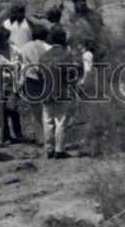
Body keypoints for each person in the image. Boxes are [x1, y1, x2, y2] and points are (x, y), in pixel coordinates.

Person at [40, 26, 82, 159]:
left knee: (47, 120)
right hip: (63, 91)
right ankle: (59, 150)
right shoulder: (67, 56)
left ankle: (49, 149)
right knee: (61, 122)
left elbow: (39, 73)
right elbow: (72, 74)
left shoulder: (43, 56)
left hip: (46, 91)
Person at [18, 26, 51, 145]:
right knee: (47, 110)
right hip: (46, 80)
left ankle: (40, 138)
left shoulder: (24, 48)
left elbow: (22, 66)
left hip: (31, 79)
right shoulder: (48, 47)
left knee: (36, 110)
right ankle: (49, 137)